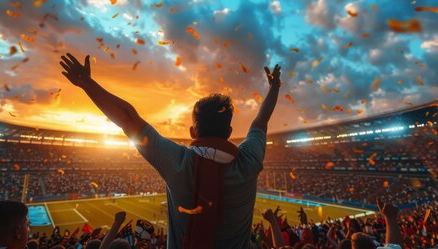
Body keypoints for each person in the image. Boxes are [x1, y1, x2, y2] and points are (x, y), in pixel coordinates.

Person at [60, 53, 281, 249]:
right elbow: (261, 120)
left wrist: (88, 84)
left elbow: (128, 119)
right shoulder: (249, 160)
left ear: (193, 132)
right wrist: (274, 88)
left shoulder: (179, 162)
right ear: (230, 131)